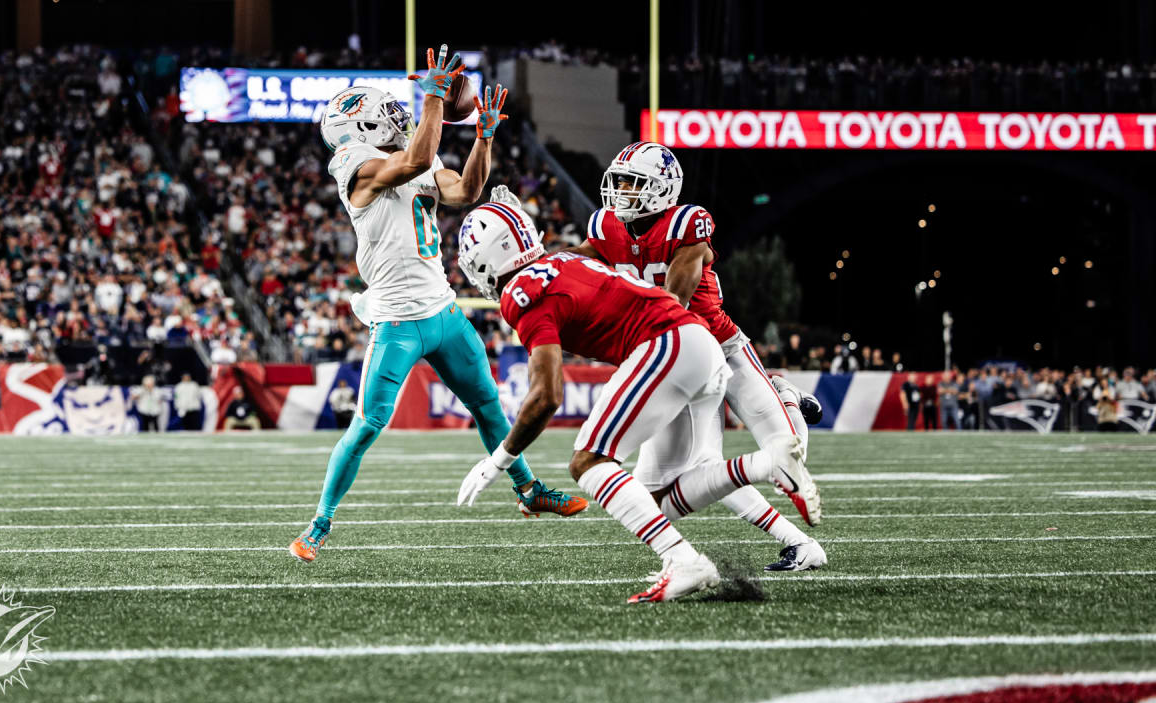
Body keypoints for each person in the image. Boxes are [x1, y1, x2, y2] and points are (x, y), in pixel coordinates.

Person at [289, 47, 585, 564]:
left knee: (488, 407)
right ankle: (319, 522)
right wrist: (431, 97)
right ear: (355, 131)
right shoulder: (355, 168)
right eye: (385, 116)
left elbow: (468, 189)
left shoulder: (412, 155)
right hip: (398, 320)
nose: (398, 120)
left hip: (444, 312)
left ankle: (530, 491)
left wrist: (484, 136)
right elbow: (418, 160)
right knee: (368, 425)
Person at [453, 203, 825, 603]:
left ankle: (690, 555)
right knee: (654, 501)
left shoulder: (522, 294)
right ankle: (761, 469)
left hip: (668, 343)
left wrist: (500, 460)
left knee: (589, 461)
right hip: (696, 345)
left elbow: (547, 396)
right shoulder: (560, 261)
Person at [570, 141, 822, 523]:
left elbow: (674, 299)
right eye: (619, 182)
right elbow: (569, 265)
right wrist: (529, 262)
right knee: (683, 475)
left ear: (662, 187)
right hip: (677, 359)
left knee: (788, 454)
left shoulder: (686, 224)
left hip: (719, 345)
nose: (621, 191)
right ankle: (789, 539)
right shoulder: (606, 226)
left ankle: (784, 396)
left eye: (633, 183)